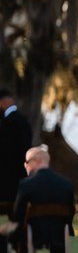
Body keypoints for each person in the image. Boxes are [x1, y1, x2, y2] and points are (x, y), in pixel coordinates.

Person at [6, 146, 76, 253]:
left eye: (26, 162)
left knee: (17, 232)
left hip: (34, 232)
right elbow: (71, 212)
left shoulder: (26, 184)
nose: (25, 166)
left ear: (35, 161)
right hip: (60, 232)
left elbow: (17, 215)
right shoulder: (66, 184)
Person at [0, 90, 33, 223]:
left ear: (2, 102)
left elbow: (5, 154)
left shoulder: (9, 123)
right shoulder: (24, 120)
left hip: (7, 184)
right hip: (20, 180)